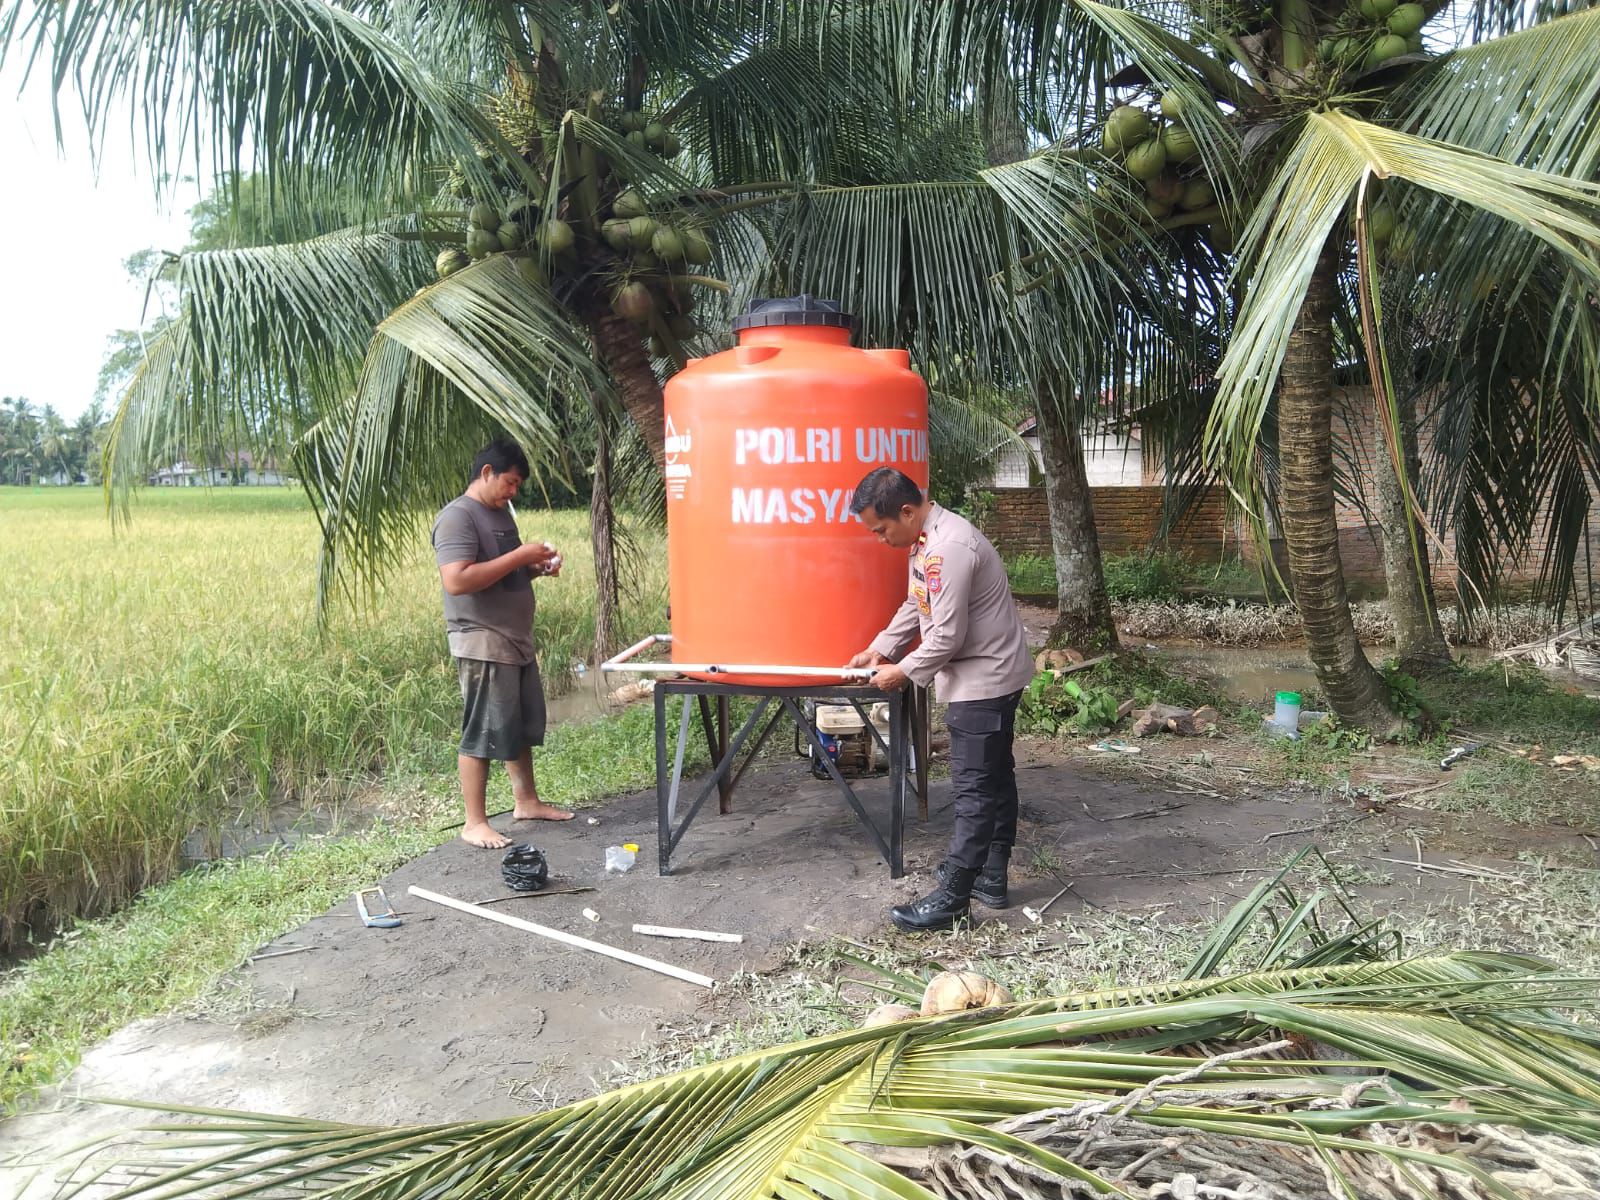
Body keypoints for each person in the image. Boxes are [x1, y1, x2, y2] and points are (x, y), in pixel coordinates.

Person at [847, 468, 1034, 931]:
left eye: (881, 529)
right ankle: (990, 874)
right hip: (987, 671)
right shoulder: (927, 540)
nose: (880, 539)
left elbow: (947, 636)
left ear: (907, 511)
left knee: (974, 787)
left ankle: (954, 896)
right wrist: (883, 646)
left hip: (984, 678)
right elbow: (918, 603)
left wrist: (903, 672)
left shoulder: (949, 548)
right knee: (994, 776)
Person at [432, 438, 574, 848]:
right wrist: (519, 557)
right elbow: (457, 580)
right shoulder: (458, 518)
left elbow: (500, 573)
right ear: (487, 473)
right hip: (481, 640)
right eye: (509, 483)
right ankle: (474, 822)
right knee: (481, 729)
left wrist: (536, 569)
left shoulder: (500, 516)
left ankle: (525, 800)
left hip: (515, 639)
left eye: (517, 487)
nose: (513, 493)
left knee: (520, 725)